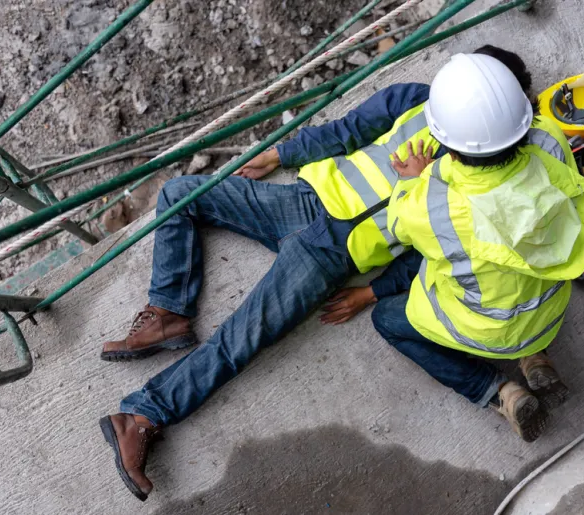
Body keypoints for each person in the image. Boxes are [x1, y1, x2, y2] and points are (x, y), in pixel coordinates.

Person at [97, 45, 555, 501]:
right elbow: (348, 131)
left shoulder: (484, 177)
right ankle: (167, 312)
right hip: (305, 198)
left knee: (238, 342)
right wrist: (284, 153)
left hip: (332, 255)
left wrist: (372, 292)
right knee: (180, 194)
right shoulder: (417, 98)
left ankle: (141, 416)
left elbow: (434, 254)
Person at [368, 52, 584, 442]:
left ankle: (502, 393)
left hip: (486, 329)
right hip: (550, 307)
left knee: (387, 320)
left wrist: (413, 179)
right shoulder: (552, 140)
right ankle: (534, 357)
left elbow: (398, 228)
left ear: (444, 142)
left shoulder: (432, 201)